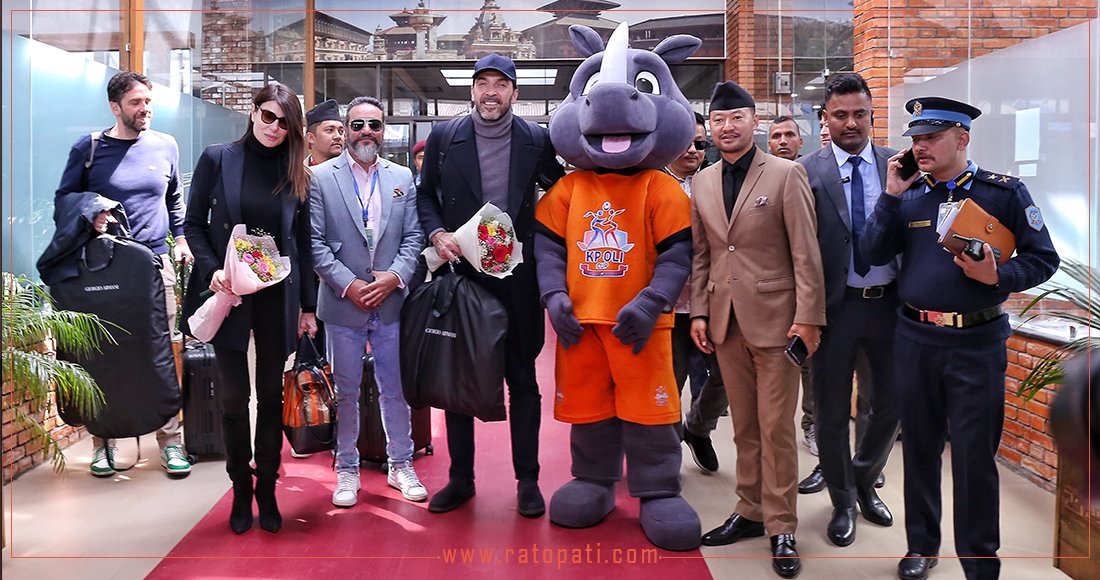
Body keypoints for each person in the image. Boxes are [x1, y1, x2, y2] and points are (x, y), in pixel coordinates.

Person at [862, 96, 1059, 580]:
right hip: (915, 338)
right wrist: (889, 196)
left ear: (962, 138)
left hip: (976, 344)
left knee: (973, 458)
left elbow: (1043, 259)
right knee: (921, 450)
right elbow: (870, 254)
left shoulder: (1004, 193)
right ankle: (921, 547)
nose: (920, 147)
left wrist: (999, 276)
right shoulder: (908, 195)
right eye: (916, 139)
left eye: (931, 138)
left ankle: (978, 560)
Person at [416, 54, 565, 516]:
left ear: (515, 94)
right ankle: (461, 479)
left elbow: (559, 192)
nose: (491, 92)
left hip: (517, 280)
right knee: (459, 380)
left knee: (522, 380)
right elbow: (426, 195)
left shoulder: (536, 140)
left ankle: (528, 480)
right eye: (483, 83)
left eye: (502, 84)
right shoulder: (446, 136)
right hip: (464, 276)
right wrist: (437, 233)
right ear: (472, 90)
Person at [692, 80, 825, 578]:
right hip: (725, 322)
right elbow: (705, 253)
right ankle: (748, 511)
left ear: (754, 122)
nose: (727, 128)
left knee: (776, 429)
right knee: (743, 427)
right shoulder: (703, 181)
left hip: (778, 323)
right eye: (718, 120)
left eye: (737, 118)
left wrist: (808, 319)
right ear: (710, 127)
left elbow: (805, 254)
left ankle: (782, 524)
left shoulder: (787, 174)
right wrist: (702, 313)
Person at [181, 83, 317, 535]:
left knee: (272, 398)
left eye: (285, 121)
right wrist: (210, 269)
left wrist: (308, 307)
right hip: (232, 293)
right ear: (253, 113)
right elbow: (194, 223)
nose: (275, 128)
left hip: (279, 296)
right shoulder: (219, 158)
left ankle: (267, 488)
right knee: (236, 399)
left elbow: (302, 241)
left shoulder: (298, 168)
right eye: (268, 117)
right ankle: (240, 485)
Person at [52, 71, 193, 478]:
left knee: (162, 352)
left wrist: (180, 240)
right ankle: (104, 444)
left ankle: (171, 443)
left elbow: (174, 199)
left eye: (148, 101)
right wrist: (89, 212)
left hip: (152, 264)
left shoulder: (166, 145)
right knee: (103, 353)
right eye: (135, 102)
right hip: (103, 268)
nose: (144, 109)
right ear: (116, 107)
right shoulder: (90, 148)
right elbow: (64, 198)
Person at [797, 72, 900, 548]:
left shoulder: (898, 166)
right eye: (840, 114)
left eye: (860, 114)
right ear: (825, 118)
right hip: (834, 311)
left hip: (890, 308)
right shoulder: (804, 171)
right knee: (832, 411)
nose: (851, 123)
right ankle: (842, 501)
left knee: (888, 406)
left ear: (872, 116)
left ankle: (863, 478)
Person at [309, 96, 427, 507]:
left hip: (391, 301)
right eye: (357, 125)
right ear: (346, 128)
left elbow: (414, 237)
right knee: (345, 390)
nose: (365, 133)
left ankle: (401, 463)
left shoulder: (401, 178)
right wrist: (350, 285)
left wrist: (394, 277)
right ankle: (346, 468)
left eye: (373, 126)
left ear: (383, 130)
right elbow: (315, 244)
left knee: (395, 389)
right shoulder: (320, 177)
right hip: (344, 303)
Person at [661, 112, 727, 475]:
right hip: (668, 304)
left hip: (714, 301)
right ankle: (668, 458)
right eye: (685, 142)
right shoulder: (651, 184)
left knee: (727, 375)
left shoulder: (718, 183)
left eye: (700, 144)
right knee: (670, 384)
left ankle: (698, 428)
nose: (692, 150)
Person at [305, 98, 345, 167]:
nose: (338, 136)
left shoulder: (353, 172)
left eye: (341, 131)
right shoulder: (296, 174)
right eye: (330, 130)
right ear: (311, 138)